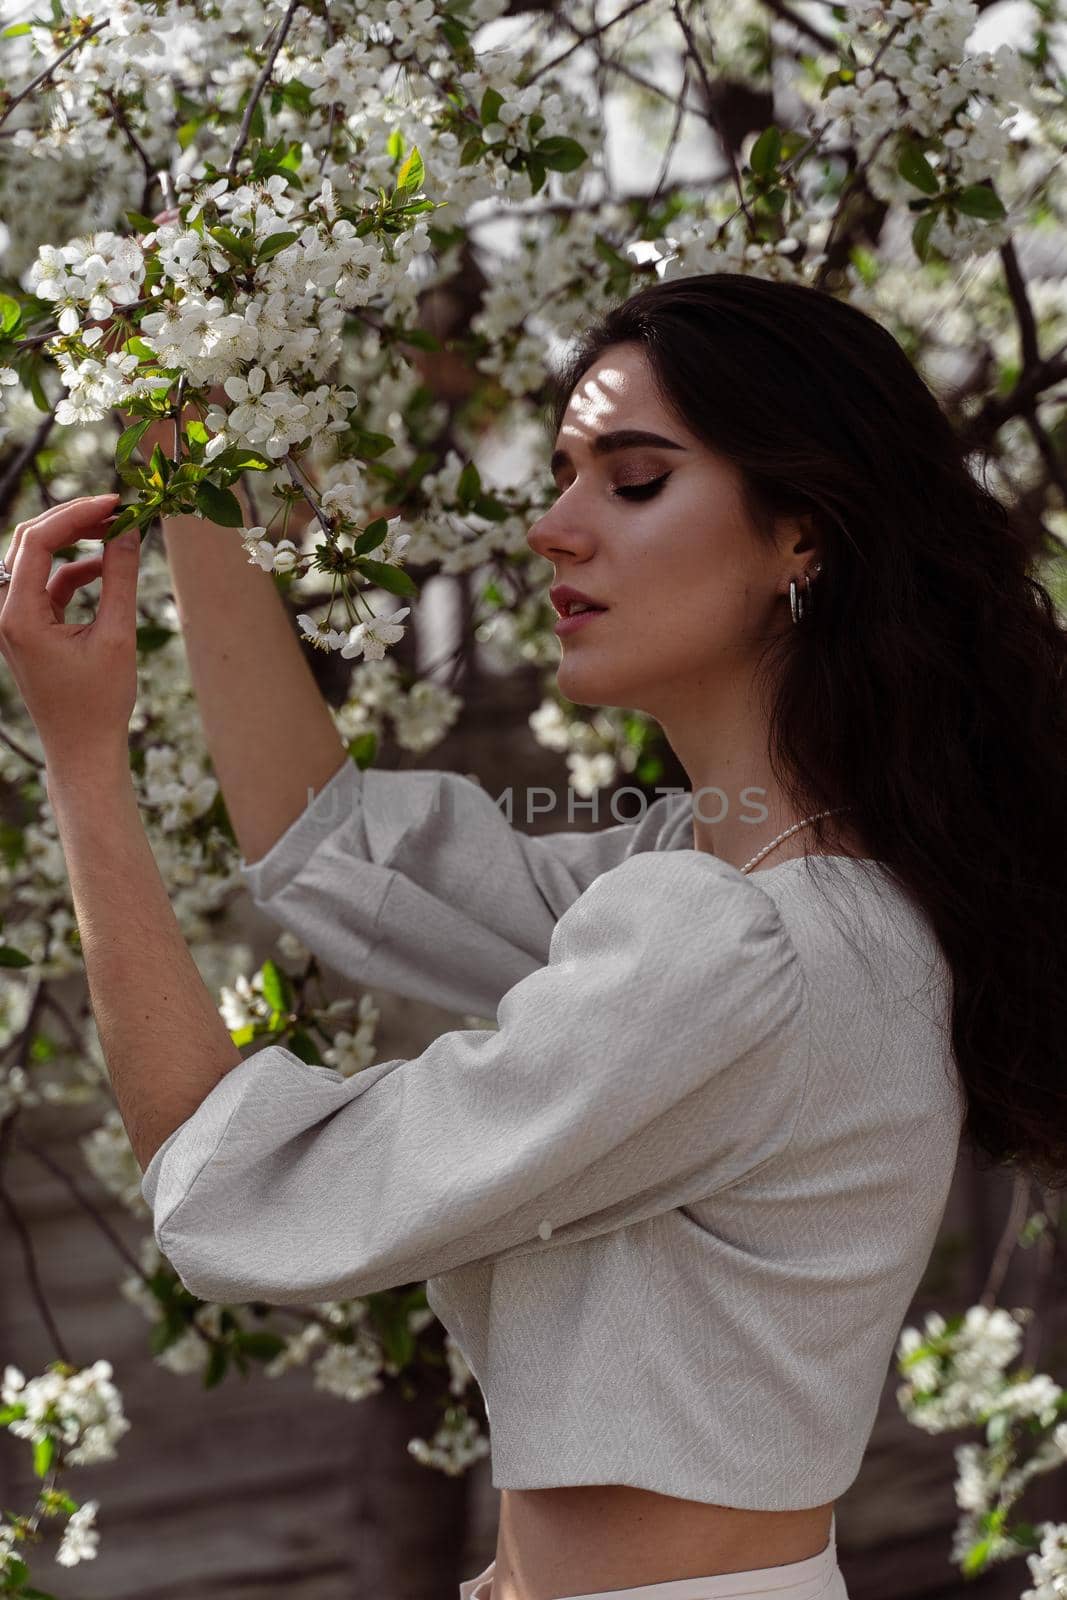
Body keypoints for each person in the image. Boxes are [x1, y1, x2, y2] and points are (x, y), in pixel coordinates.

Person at [2, 270, 1064, 1600]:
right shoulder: (767, 885)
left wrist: (83, 764)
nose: (554, 528)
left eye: (630, 482)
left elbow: (233, 1192)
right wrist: (193, 467)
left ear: (803, 533)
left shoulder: (735, 950)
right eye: (560, 473)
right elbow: (334, 853)